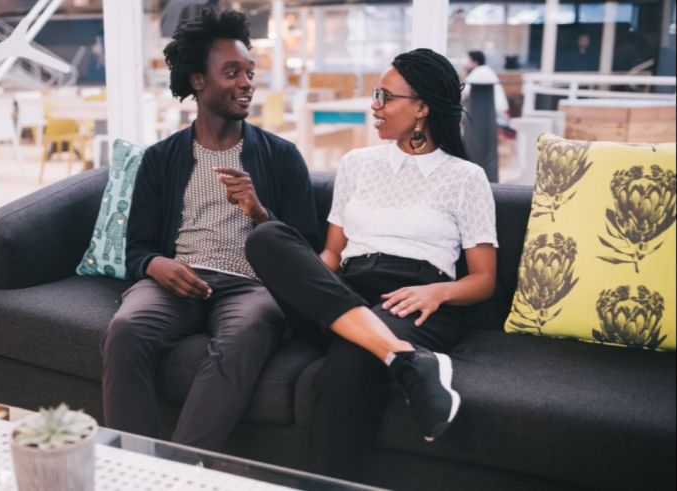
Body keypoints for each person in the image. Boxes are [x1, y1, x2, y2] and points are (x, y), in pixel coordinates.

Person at [245, 48, 498, 481]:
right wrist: (309, 280)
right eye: (374, 95)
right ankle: (405, 359)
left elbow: (484, 280)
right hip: (344, 291)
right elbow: (331, 254)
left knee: (349, 358)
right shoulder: (356, 165)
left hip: (413, 301)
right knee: (268, 236)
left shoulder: (465, 178)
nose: (374, 106)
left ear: (421, 108)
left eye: (385, 96)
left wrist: (437, 291)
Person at [100, 7, 319, 452]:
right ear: (198, 81)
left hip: (250, 287)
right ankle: (135, 464)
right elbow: (137, 247)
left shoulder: (281, 157)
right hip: (177, 282)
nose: (247, 83)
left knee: (247, 332)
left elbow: (308, 250)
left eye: (250, 72)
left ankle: (178, 469)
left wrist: (260, 213)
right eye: (232, 72)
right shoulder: (161, 159)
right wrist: (156, 265)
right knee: (126, 329)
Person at [462, 50, 509, 128]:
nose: (465, 63)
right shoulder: (485, 70)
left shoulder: (479, 72)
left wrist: (463, 73)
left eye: (468, 60)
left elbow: (464, 93)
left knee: (460, 114)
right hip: (497, 111)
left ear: (475, 62)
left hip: (495, 114)